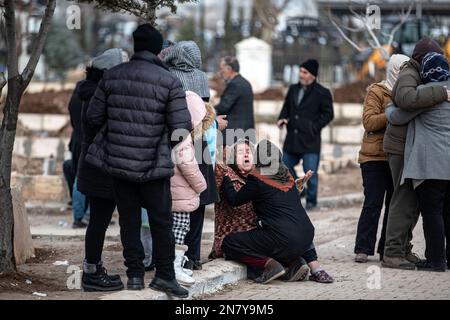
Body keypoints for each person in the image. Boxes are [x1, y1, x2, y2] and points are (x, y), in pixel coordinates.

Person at [85, 24, 191, 298]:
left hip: (119, 166)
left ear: (135, 46)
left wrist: (118, 139)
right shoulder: (169, 81)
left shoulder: (112, 76)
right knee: (161, 221)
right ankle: (165, 276)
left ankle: (134, 275)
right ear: (158, 49)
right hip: (154, 168)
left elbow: (93, 117)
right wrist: (160, 145)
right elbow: (182, 128)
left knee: (129, 221)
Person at [212, 140, 333, 283]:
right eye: (240, 152)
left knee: (230, 243)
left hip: (282, 237)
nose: (246, 154)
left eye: (250, 152)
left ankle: (270, 266)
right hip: (307, 235)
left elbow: (234, 200)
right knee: (285, 234)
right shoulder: (286, 175)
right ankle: (302, 265)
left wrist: (227, 180)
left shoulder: (257, 177)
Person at [382, 37, 450, 269]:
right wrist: (441, 93)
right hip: (401, 147)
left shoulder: (424, 78)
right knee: (403, 200)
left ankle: (404, 250)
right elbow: (406, 101)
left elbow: (397, 112)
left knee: (413, 204)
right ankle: (393, 252)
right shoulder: (411, 74)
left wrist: (390, 110)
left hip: (415, 149)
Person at [162, 41, 220, 272]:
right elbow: (204, 111)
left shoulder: (166, 74)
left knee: (175, 199)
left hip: (172, 139)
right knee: (199, 196)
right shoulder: (201, 77)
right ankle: (193, 256)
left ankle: (172, 255)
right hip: (198, 141)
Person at [77, 48, 128, 292]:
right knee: (99, 221)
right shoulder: (98, 97)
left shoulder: (90, 92)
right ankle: (92, 273)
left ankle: (93, 270)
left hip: (97, 166)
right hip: (102, 168)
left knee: (100, 221)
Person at [353, 55, 409, 264]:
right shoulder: (377, 91)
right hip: (374, 157)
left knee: (393, 205)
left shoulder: (408, 93)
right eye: (401, 69)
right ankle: (363, 248)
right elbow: (368, 122)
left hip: (396, 156)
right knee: (373, 203)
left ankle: (387, 249)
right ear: (394, 69)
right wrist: (394, 114)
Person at [278, 59, 334, 210]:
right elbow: (286, 108)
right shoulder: (293, 89)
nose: (301, 74)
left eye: (305, 72)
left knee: (311, 175)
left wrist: (314, 127)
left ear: (313, 76)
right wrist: (282, 118)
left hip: (310, 140)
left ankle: (311, 202)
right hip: (292, 139)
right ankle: (299, 187)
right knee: (284, 166)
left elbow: (329, 114)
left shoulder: (322, 92)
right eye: (300, 71)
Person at [216, 56, 255, 146]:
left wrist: (208, 111)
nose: (220, 72)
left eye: (222, 69)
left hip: (234, 136)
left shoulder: (235, 84)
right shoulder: (245, 83)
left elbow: (223, 107)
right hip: (245, 133)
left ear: (229, 69)